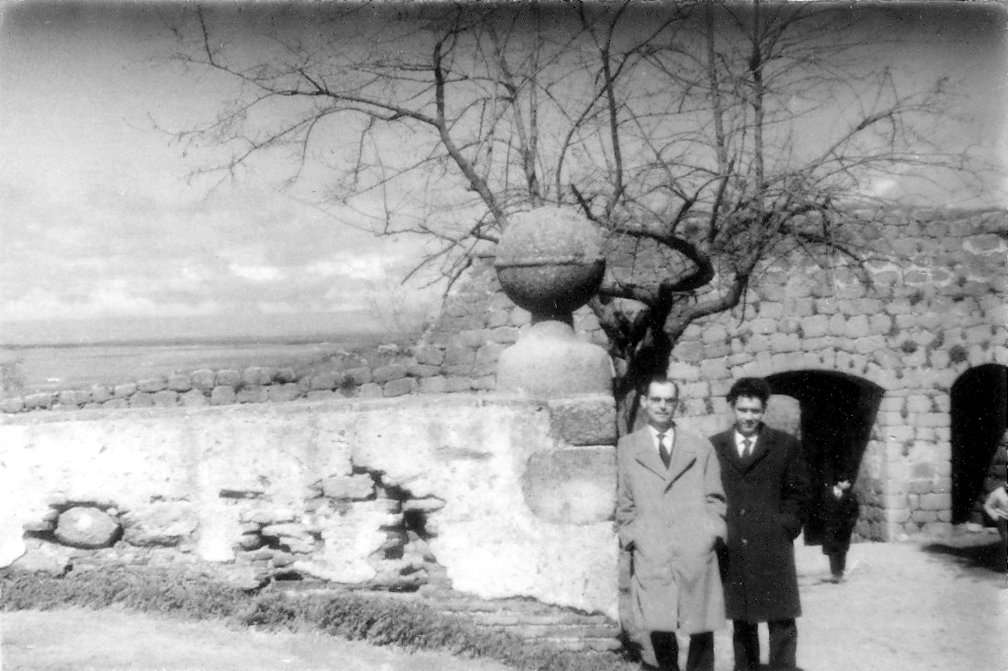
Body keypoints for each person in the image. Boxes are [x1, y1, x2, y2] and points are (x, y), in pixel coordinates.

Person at [616, 376, 727, 671]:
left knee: (701, 628)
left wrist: (711, 533)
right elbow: (624, 501)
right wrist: (633, 536)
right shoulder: (628, 447)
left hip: (695, 550)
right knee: (660, 627)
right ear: (644, 402)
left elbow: (715, 497)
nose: (662, 406)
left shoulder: (699, 447)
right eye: (656, 400)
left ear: (677, 403)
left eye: (669, 400)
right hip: (653, 551)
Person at [710, 377, 810, 671]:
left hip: (773, 546)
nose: (748, 417)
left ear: (763, 410)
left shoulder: (784, 445)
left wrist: (785, 527)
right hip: (735, 546)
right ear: (733, 408)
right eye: (743, 410)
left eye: (755, 411)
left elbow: (799, 493)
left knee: (781, 621)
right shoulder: (715, 446)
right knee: (743, 622)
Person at [821, 477, 859, 583]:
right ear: (839, 482)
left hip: (844, 528)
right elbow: (821, 510)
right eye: (846, 481)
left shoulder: (850, 496)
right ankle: (834, 573)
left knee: (842, 550)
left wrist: (851, 523)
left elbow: (855, 511)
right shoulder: (827, 495)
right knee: (831, 550)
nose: (848, 483)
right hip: (831, 527)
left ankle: (840, 573)